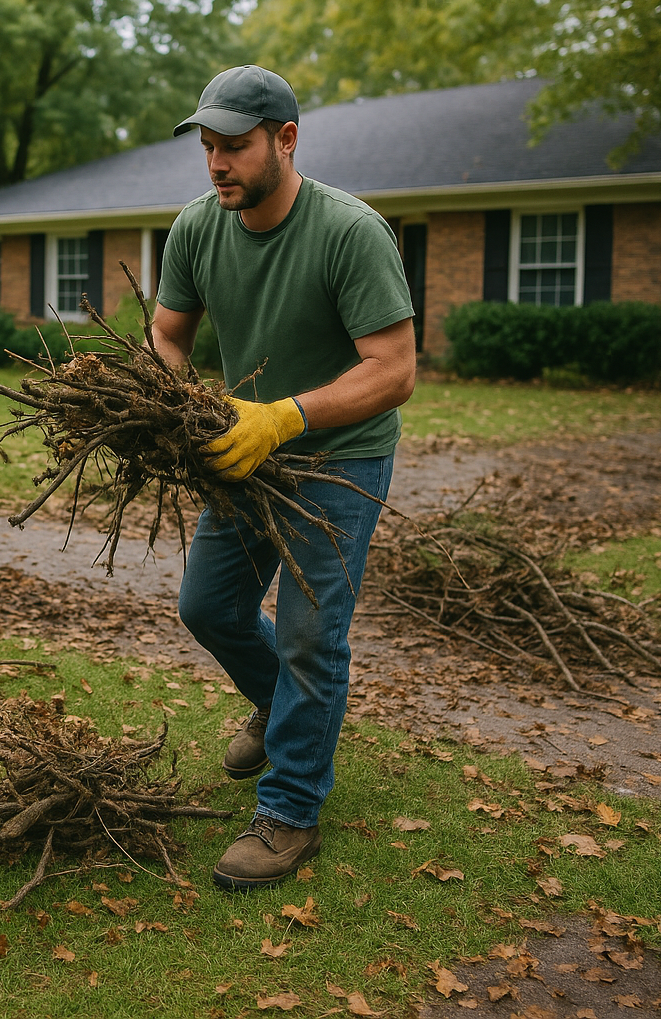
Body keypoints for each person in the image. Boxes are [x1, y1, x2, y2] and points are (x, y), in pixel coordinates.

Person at [150, 65, 417, 890]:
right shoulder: (197, 228)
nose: (217, 163)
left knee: (309, 635)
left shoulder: (349, 233)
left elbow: (394, 369)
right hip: (246, 449)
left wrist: (284, 417)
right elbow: (166, 334)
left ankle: (291, 811)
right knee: (208, 606)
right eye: (208, 146)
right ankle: (279, 707)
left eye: (234, 146)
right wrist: (188, 406)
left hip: (340, 455)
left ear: (286, 139)